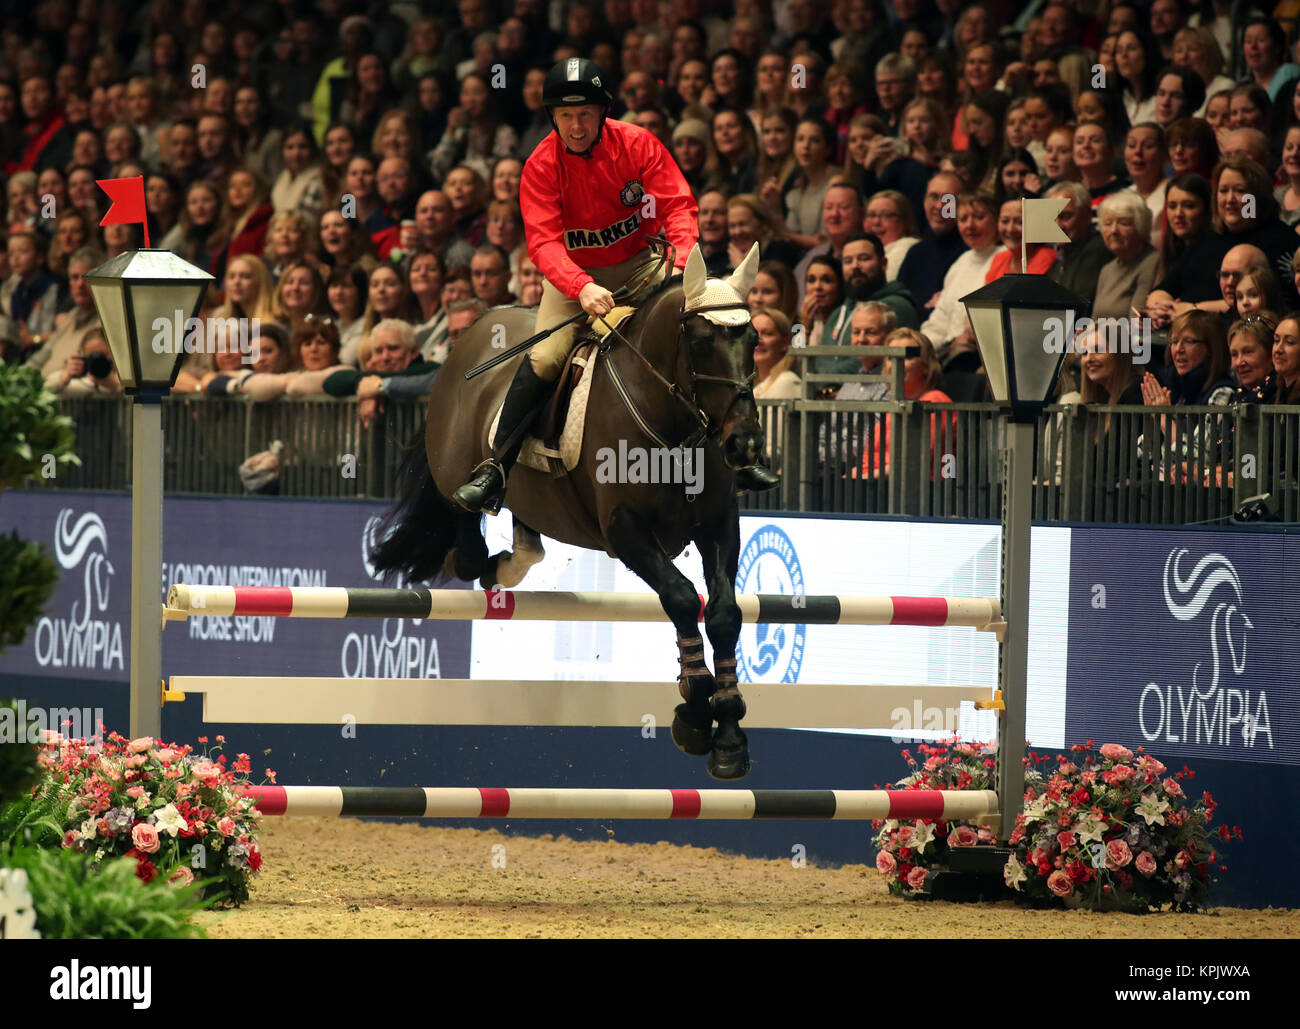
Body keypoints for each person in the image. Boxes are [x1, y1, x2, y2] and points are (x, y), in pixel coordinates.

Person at [451, 59, 776, 514]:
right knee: (545, 356)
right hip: (573, 277)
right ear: (552, 118)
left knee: (703, 340)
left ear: (602, 112)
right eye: (565, 116)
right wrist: (581, 287)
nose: (576, 125)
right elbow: (543, 242)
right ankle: (495, 469)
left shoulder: (638, 143)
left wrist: (682, 267)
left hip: (644, 266)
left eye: (585, 113)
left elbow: (679, 207)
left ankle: (741, 458)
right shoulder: (540, 165)